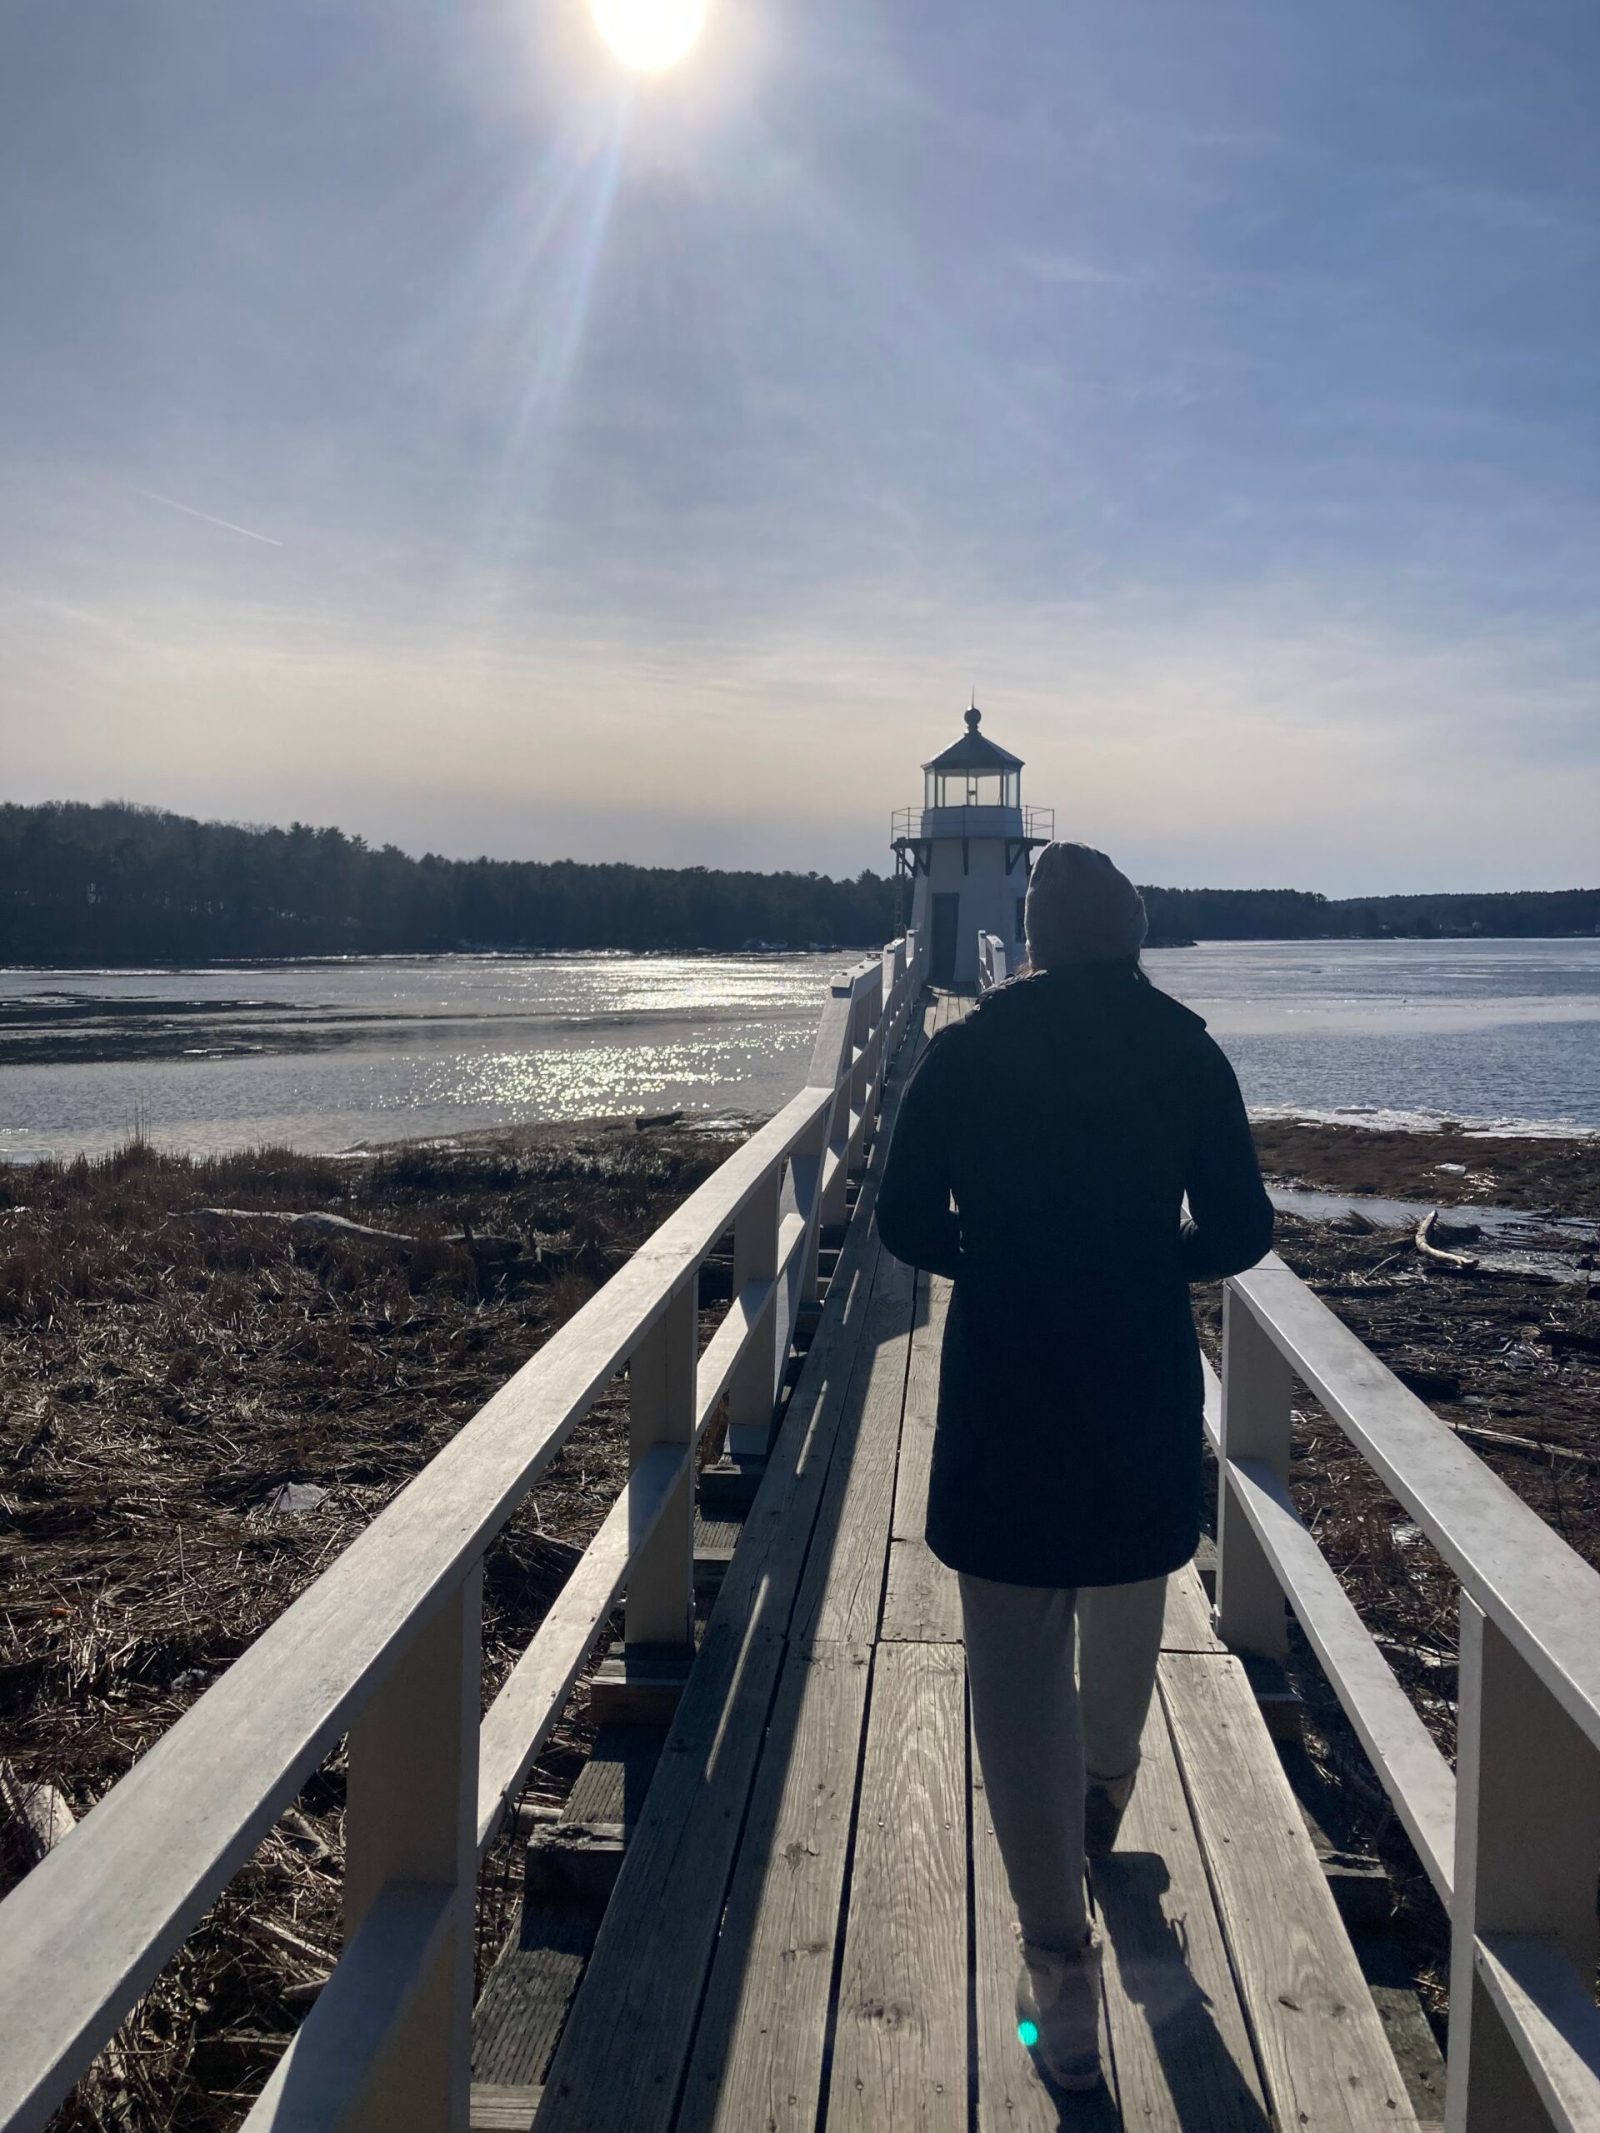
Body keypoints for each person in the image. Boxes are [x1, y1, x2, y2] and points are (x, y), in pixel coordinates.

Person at [875, 841, 1274, 2093]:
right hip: (1135, 1385)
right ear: (1136, 932)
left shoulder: (968, 1050)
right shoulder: (1184, 1051)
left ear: (1033, 937)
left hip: (1004, 1392)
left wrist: (995, 1258)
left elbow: (896, 1218)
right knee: (1127, 1590)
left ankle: (1060, 1973)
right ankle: (1106, 1798)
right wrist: (1147, 1262)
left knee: (1012, 1663)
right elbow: (1246, 1230)